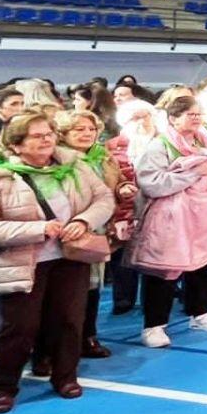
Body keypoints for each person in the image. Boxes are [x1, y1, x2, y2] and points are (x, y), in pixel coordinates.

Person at [0, 113, 113, 414]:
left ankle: (65, 376)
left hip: (70, 258)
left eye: (48, 134)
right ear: (16, 145)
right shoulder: (0, 180)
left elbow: (103, 199)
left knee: (69, 322)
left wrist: (83, 221)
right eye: (36, 136)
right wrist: (37, 230)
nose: (46, 140)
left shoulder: (75, 168)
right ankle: (2, 387)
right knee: (20, 328)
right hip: (23, 263)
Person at [128, 96, 207, 349]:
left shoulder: (204, 141)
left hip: (203, 216)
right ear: (173, 118)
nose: (196, 118)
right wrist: (192, 173)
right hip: (170, 218)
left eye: (198, 114)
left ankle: (200, 313)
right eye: (190, 114)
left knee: (201, 265)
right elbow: (152, 182)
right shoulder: (159, 145)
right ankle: (154, 325)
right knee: (164, 270)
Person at [57, 108, 130, 359]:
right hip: (63, 229)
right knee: (64, 290)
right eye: (79, 129)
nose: (87, 134)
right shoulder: (57, 160)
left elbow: (116, 184)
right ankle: (55, 345)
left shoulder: (104, 157)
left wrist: (124, 188)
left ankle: (87, 336)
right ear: (63, 133)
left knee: (93, 286)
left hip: (97, 229)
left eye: (91, 129)